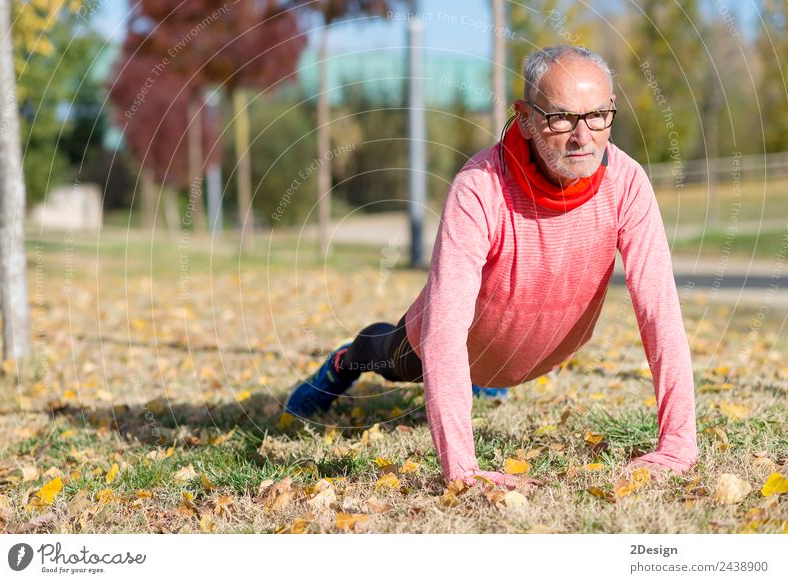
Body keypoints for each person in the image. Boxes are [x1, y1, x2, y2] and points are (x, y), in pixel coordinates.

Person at [285, 45, 698, 489]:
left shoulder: (628, 182)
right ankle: (343, 361)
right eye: (561, 117)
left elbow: (660, 311)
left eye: (598, 115)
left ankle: (480, 382)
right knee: (385, 355)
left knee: (483, 369)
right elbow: (444, 331)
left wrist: (678, 443)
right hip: (452, 344)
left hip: (541, 350)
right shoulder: (480, 188)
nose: (583, 136)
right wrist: (463, 471)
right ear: (524, 118)